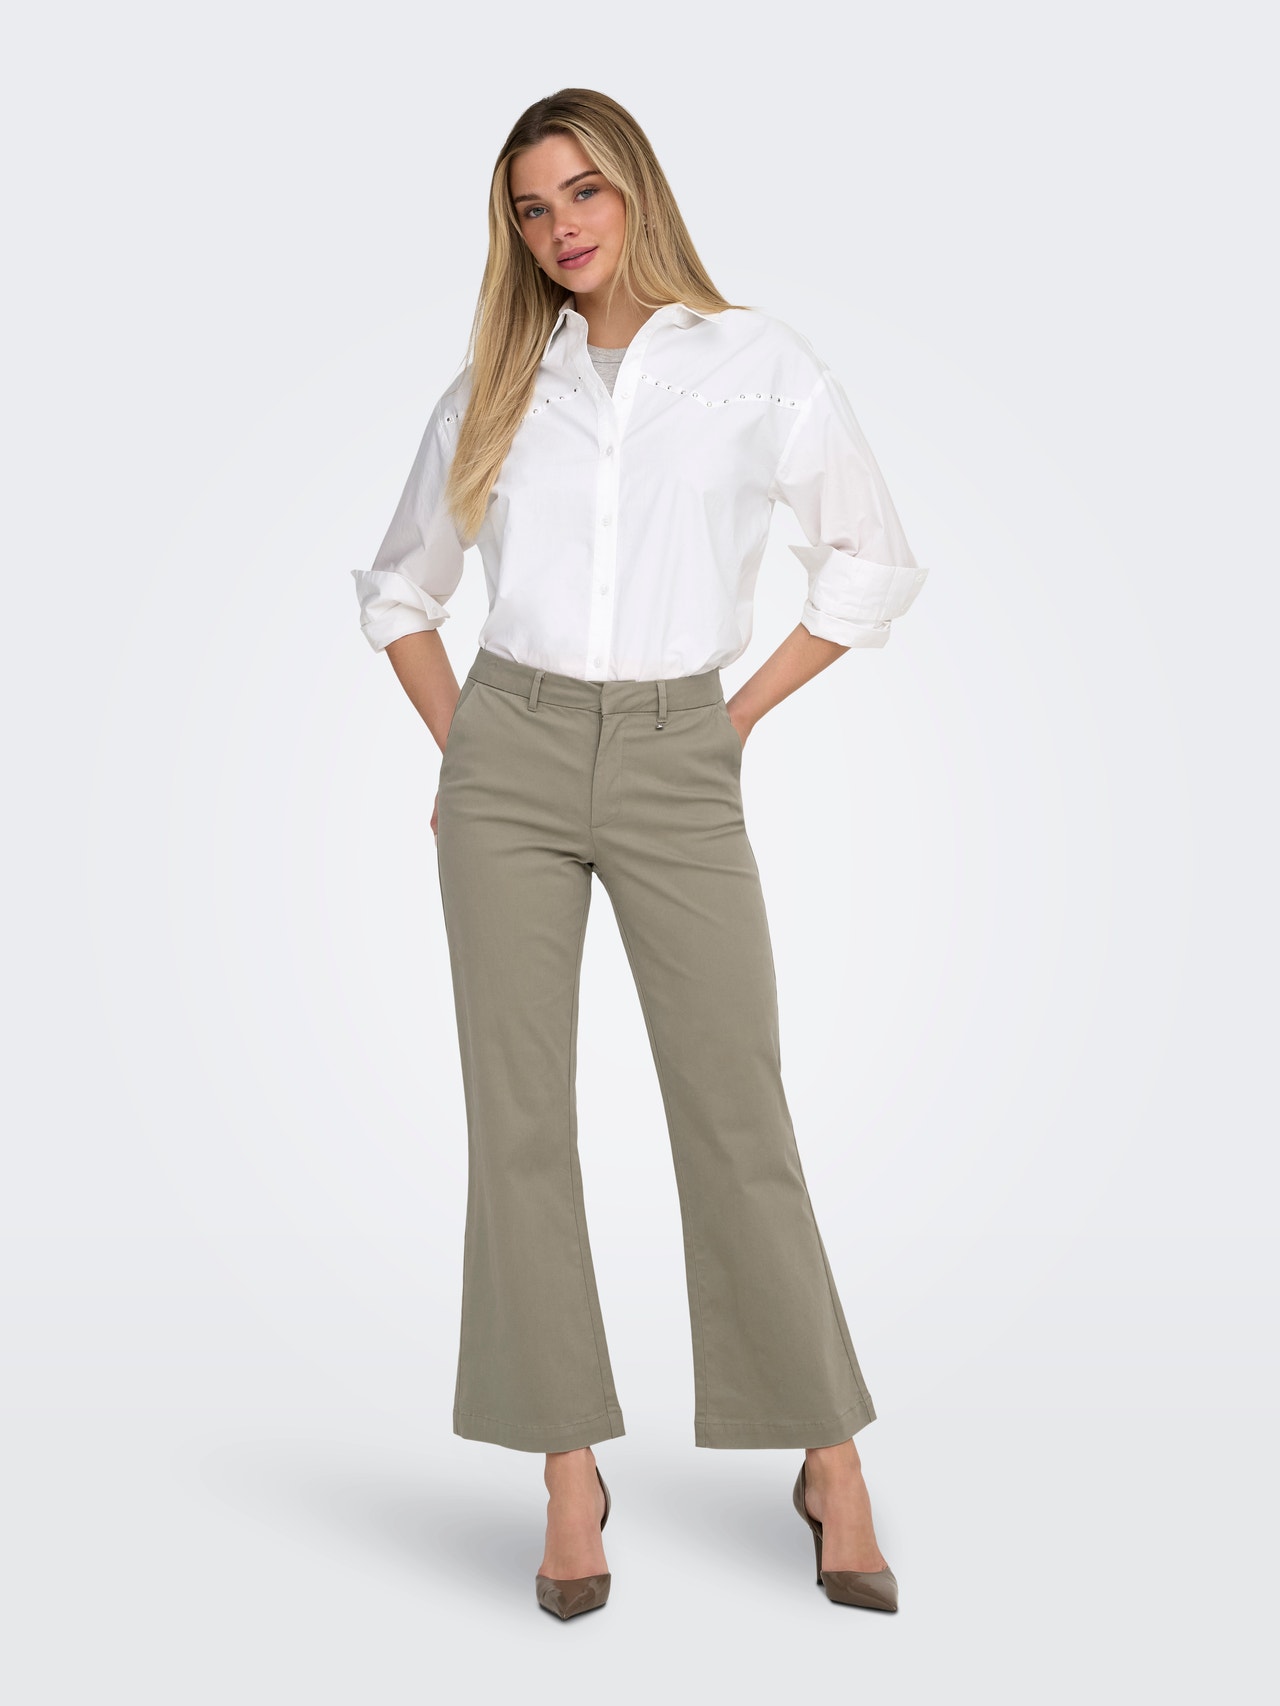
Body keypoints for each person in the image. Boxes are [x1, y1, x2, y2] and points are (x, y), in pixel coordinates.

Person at [351, 88, 928, 1618]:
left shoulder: (755, 363)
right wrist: (467, 749)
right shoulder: (495, 386)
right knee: (520, 1123)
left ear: (637, 189)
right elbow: (401, 591)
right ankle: (567, 1472)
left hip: (681, 748)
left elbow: (872, 559)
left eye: (584, 191)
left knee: (737, 1107)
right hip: (512, 752)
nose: (563, 227)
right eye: (532, 209)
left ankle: (831, 1457)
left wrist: (733, 717)